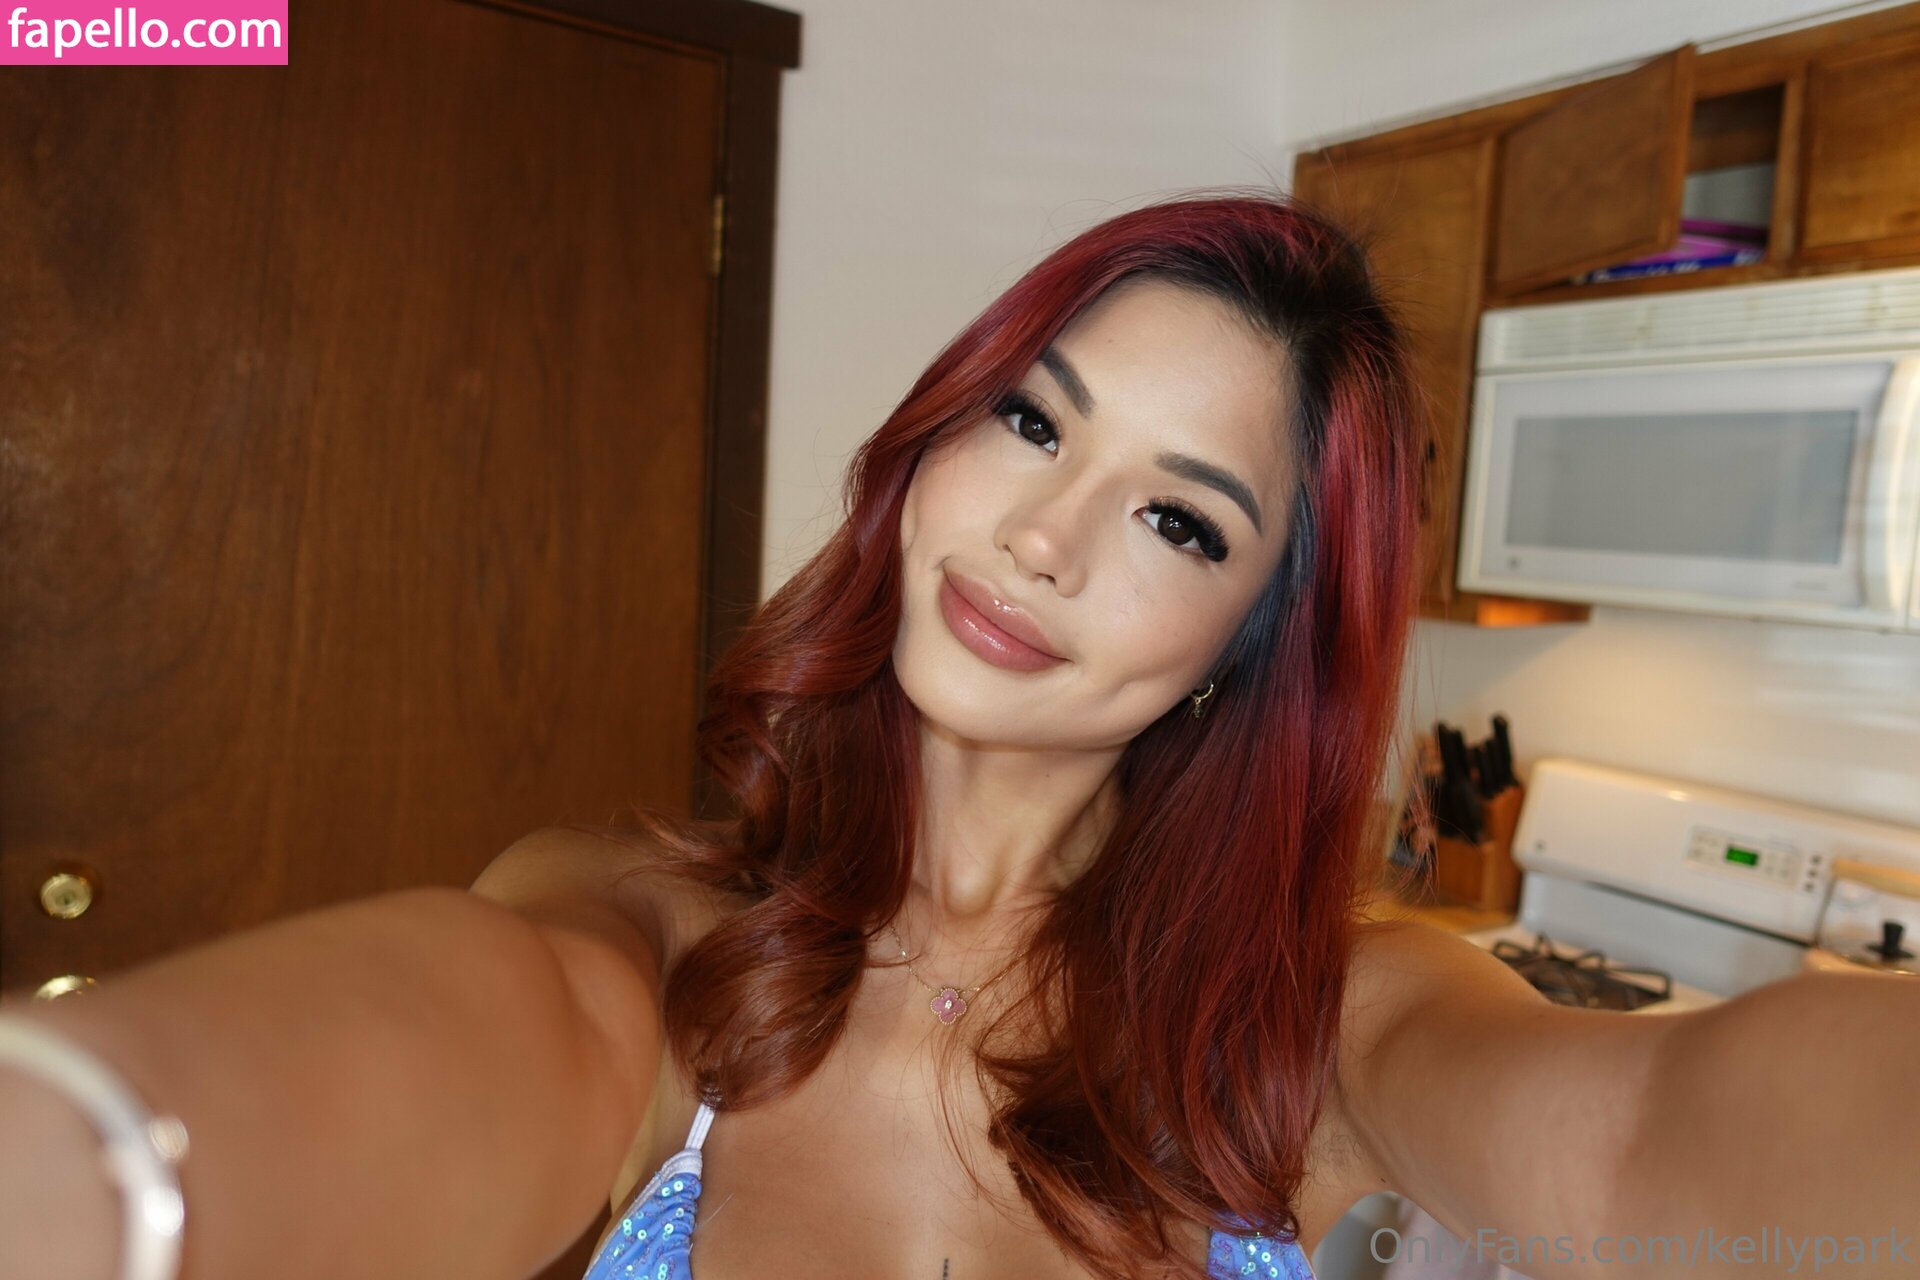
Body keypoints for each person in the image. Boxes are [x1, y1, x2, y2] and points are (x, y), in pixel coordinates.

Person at [1, 190, 1914, 1280]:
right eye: (1032, 420)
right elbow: (424, 1050)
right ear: (938, 431)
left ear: (1245, 647)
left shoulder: (1307, 1028)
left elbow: (1659, 1136)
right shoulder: (648, 934)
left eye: (1180, 522)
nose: (1045, 536)